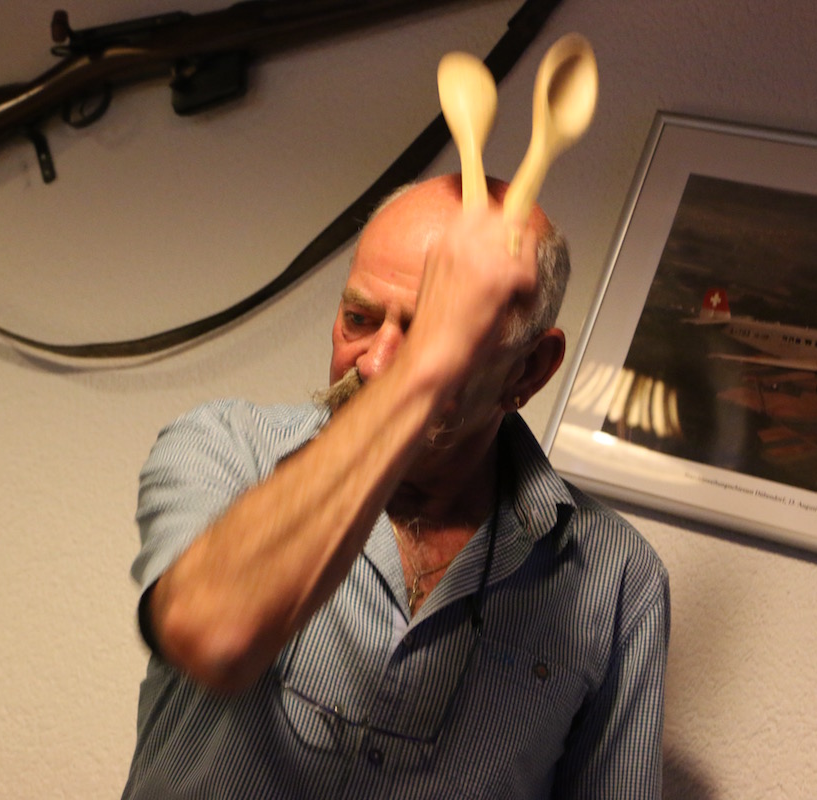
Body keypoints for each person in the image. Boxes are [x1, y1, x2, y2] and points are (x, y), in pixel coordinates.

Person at [122, 174, 670, 799]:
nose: (377, 363)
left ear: (529, 370)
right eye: (358, 319)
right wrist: (429, 369)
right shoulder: (228, 447)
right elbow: (212, 632)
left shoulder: (619, 579)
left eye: (424, 332)